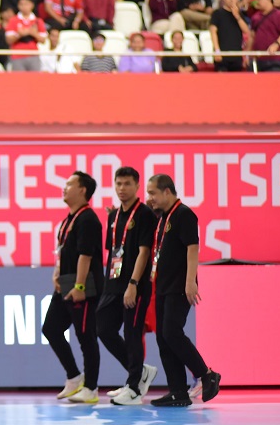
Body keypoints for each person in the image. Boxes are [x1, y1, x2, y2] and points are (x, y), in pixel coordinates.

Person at [145, 174, 221, 407]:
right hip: (163, 285)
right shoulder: (163, 216)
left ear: (167, 191)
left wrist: (190, 281)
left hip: (179, 285)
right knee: (163, 337)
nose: (150, 198)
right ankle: (177, 390)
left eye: (153, 193)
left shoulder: (184, 214)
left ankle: (206, 374)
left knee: (172, 332)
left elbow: (192, 248)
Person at [93, 167, 160, 406]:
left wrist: (133, 283)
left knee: (132, 334)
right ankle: (140, 371)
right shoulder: (113, 215)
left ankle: (134, 388)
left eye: (127, 184)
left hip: (135, 286)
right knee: (103, 328)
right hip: (113, 284)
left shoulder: (145, 215)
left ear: (137, 186)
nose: (122, 188)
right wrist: (108, 284)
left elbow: (144, 252)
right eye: (119, 184)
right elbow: (114, 251)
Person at [41, 172, 104, 404]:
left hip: (83, 287)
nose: (64, 188)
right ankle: (74, 376)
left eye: (69, 184)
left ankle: (91, 387)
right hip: (65, 283)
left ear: (83, 190)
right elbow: (63, 251)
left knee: (86, 336)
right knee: (51, 328)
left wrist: (79, 285)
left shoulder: (88, 220)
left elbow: (85, 256)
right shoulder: (69, 219)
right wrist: (56, 272)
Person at [5, 0, 46, 72]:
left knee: (35, 79)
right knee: (18, 79)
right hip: (17, 55)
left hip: (33, 55)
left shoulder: (38, 21)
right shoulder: (13, 20)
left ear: (32, 5)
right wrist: (19, 35)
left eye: (26, 4)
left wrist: (33, 33)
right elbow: (8, 40)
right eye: (21, 4)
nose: (24, 7)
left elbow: (43, 40)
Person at [250, 0, 280, 72]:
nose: (257, 1)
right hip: (258, 59)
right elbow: (252, 37)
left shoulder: (279, 15)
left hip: (273, 58)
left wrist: (276, 44)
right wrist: (249, 53)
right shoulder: (255, 17)